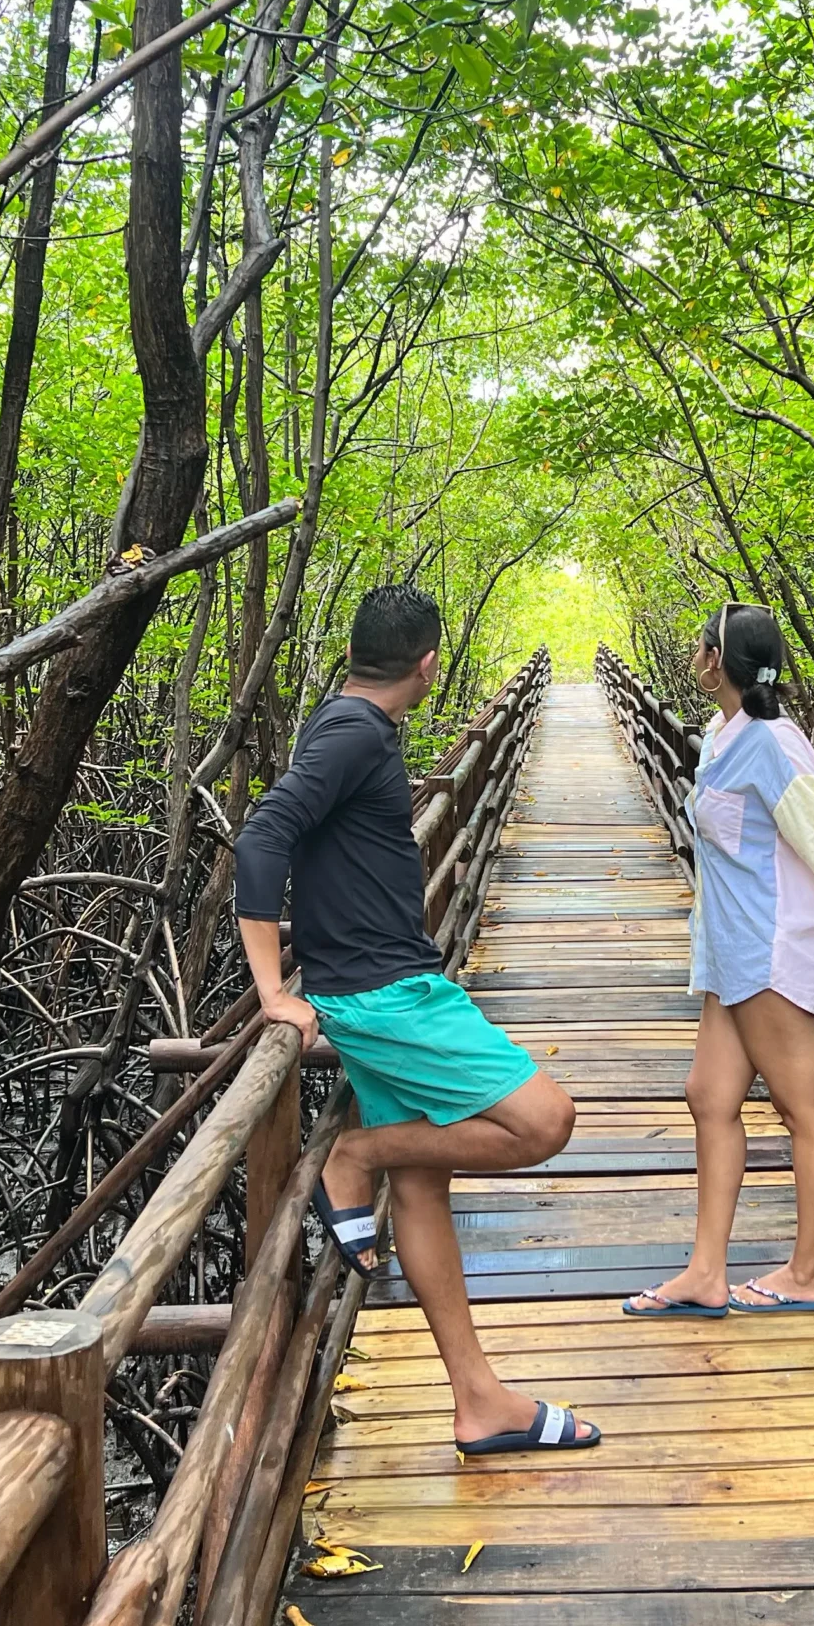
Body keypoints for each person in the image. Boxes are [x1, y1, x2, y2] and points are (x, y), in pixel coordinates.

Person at [230, 584, 599, 1454]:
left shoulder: (341, 720)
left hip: (376, 984)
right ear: (429, 664)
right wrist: (274, 991)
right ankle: (355, 1158)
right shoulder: (358, 735)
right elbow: (261, 837)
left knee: (426, 1184)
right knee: (546, 1120)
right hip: (385, 995)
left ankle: (478, 1400)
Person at [625, 601, 814, 1318]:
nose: (693, 656)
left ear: (714, 661)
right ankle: (706, 1273)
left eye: (700, 647)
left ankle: (807, 1272)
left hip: (770, 949)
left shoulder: (775, 744)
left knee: (807, 1112)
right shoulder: (720, 735)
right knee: (709, 1097)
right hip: (730, 952)